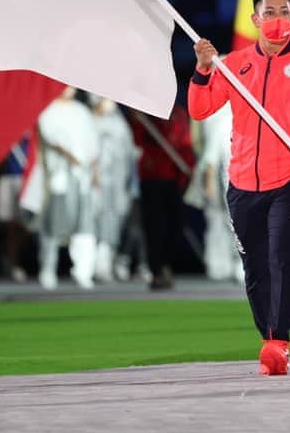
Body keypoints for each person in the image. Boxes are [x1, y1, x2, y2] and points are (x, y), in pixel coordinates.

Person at [189, 0, 290, 376]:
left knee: (283, 259)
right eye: (270, 12)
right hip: (241, 183)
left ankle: (279, 341)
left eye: (284, 12)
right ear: (255, 19)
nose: (278, 19)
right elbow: (200, 109)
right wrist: (203, 69)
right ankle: (267, 336)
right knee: (255, 268)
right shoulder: (236, 64)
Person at [33, 87, 100, 290]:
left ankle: (83, 271)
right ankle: (48, 270)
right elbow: (50, 138)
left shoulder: (82, 111)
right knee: (53, 226)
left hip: (83, 179)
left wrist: (92, 168)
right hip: (59, 178)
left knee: (85, 226)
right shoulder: (48, 110)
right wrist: (69, 156)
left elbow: (93, 143)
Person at [134, 105, 194, 291]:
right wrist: (136, 119)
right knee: (154, 227)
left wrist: (188, 169)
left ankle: (166, 264)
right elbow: (137, 141)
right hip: (152, 177)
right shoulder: (143, 113)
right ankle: (157, 270)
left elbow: (185, 142)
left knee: (176, 226)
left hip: (175, 177)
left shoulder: (179, 114)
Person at [191, 105, 242, 283]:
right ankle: (222, 265)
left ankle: (234, 265)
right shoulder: (223, 122)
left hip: (249, 181)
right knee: (225, 222)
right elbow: (210, 157)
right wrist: (209, 182)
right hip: (229, 182)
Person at [90, 94, 136, 283]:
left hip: (117, 182)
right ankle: (93, 265)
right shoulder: (89, 121)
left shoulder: (120, 124)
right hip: (95, 182)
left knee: (116, 221)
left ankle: (108, 262)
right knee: (95, 220)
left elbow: (128, 153)